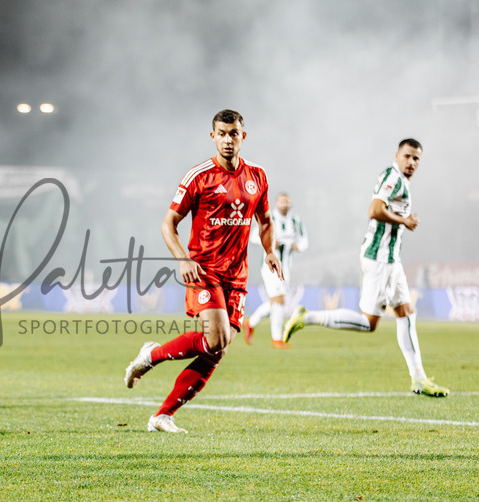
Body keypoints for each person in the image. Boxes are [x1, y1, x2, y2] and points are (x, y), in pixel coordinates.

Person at [123, 109, 282, 433]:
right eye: (221, 134)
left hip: (237, 275)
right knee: (214, 338)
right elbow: (169, 223)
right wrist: (183, 259)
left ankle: (162, 415)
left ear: (243, 136)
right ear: (213, 137)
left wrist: (270, 251)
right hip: (204, 270)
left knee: (218, 348)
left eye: (233, 133)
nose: (227, 139)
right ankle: (152, 354)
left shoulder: (258, 177)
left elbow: (265, 222)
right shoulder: (199, 176)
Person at [282, 139, 449, 397]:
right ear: (397, 155)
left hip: (391, 260)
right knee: (368, 323)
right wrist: (404, 220)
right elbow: (374, 210)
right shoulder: (393, 178)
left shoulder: (400, 180)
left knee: (406, 312)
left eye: (417, 158)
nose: (412, 162)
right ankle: (306, 317)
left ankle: (418, 378)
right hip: (380, 259)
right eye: (408, 156)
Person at [243, 192, 308, 349]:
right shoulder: (268, 217)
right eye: (281, 202)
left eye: (287, 202)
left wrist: (298, 247)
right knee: (278, 299)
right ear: (276, 203)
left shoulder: (296, 221)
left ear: (290, 204)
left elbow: (304, 240)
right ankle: (277, 339)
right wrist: (270, 240)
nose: (284, 204)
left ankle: (250, 323)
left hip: (286, 267)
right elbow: (253, 237)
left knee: (277, 301)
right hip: (270, 266)